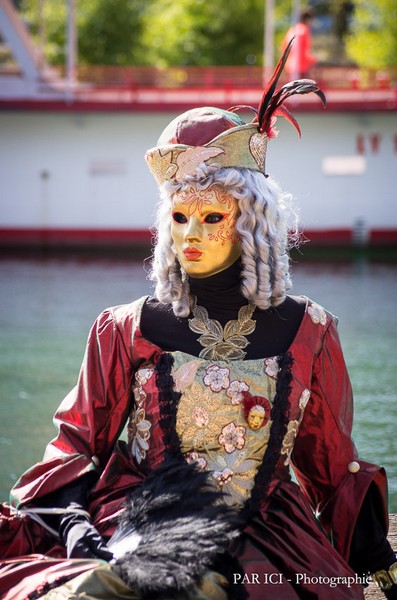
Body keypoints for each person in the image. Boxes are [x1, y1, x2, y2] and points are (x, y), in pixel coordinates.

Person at [0, 42, 396, 600]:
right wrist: (73, 524)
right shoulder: (124, 328)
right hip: (142, 517)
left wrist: (377, 558)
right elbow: (75, 445)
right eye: (179, 216)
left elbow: (331, 465)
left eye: (212, 216)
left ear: (252, 224)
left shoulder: (310, 332)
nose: (190, 234)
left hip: (266, 532)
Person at [281, 9, 317, 79]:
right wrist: (313, 61)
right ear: (307, 19)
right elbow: (304, 51)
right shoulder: (304, 30)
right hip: (301, 67)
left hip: (290, 66)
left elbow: (283, 48)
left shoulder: (292, 30)